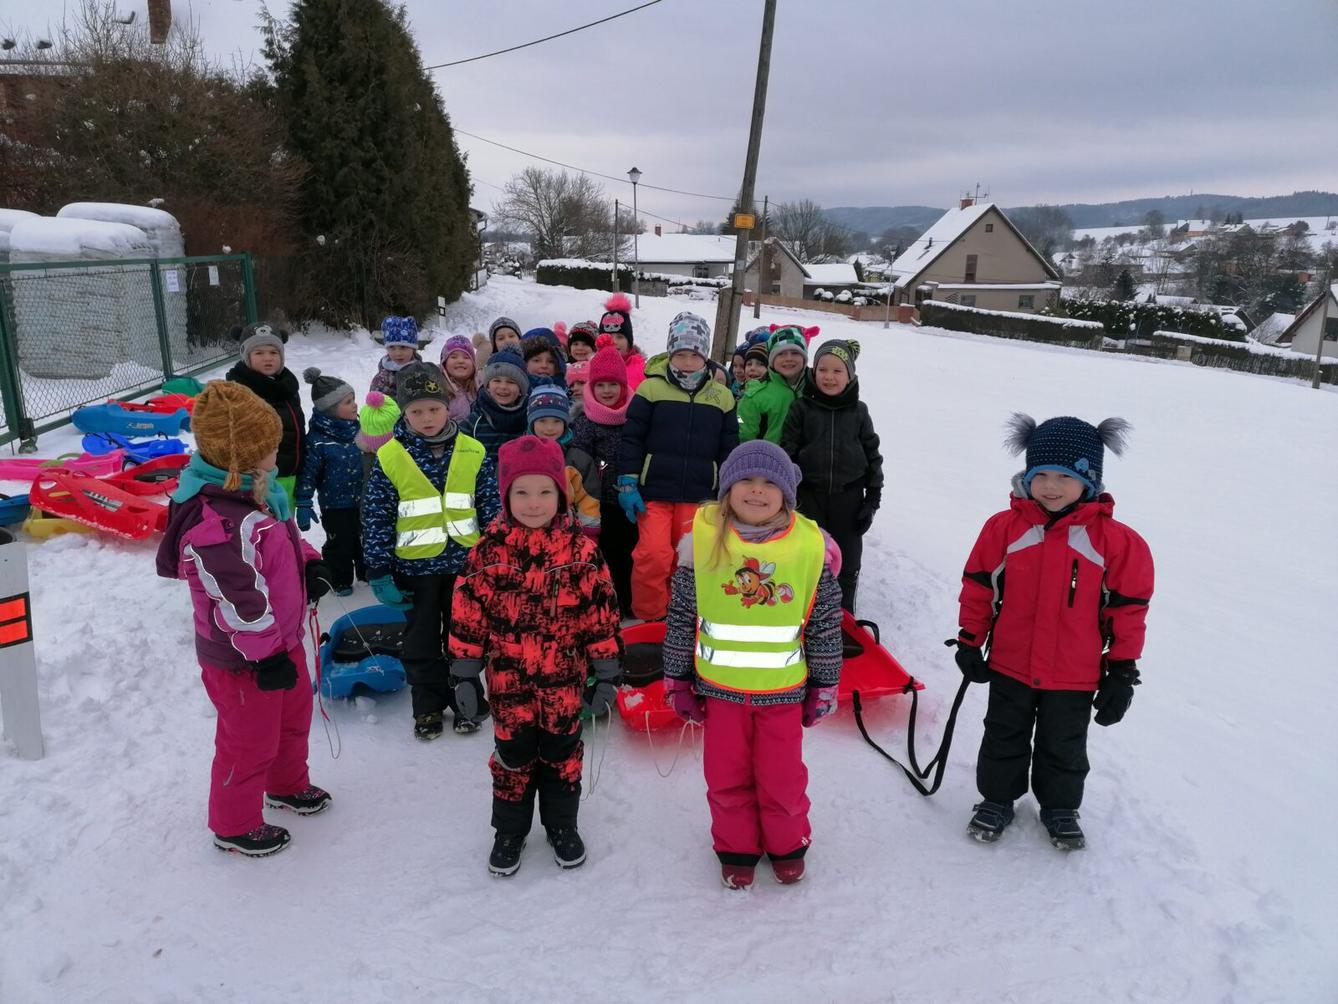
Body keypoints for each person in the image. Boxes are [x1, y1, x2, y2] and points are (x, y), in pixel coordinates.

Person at [954, 415, 1154, 850]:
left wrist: (1122, 670)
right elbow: (978, 585)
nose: (1050, 485)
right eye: (1039, 474)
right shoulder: (1004, 528)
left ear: (1090, 480)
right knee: (1003, 733)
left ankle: (1060, 806)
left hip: (1075, 671)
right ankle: (996, 799)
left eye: (1065, 476)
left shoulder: (1117, 542)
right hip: (1011, 661)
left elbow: (1128, 611)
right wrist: (970, 640)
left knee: (1063, 743)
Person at [156, 381, 332, 858]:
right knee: (248, 740)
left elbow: (283, 542)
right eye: (271, 448)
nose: (278, 454)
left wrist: (310, 562)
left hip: (282, 640)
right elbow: (238, 600)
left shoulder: (258, 494)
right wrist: (267, 655)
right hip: (244, 659)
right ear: (246, 457)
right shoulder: (215, 525)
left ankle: (287, 785)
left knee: (294, 717)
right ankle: (233, 823)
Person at [662, 440, 843, 889]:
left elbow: (822, 623)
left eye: (769, 483)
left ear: (786, 493)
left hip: (782, 694)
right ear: (727, 490)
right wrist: (677, 678)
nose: (756, 491)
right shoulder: (700, 544)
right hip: (720, 694)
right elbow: (683, 616)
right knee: (726, 777)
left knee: (781, 778)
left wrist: (825, 684)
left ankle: (787, 843)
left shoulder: (808, 548)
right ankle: (736, 847)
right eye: (745, 480)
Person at [449, 435, 622, 876]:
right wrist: (465, 673)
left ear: (561, 494)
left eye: (545, 491)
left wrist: (605, 670)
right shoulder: (487, 553)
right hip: (508, 683)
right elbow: (468, 614)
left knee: (563, 754)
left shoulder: (581, 552)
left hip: (564, 682)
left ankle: (562, 825)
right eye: (521, 492)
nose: (533, 502)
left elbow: (600, 614)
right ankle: (509, 830)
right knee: (512, 756)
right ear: (506, 495)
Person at [361, 361, 501, 740]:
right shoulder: (390, 456)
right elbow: (377, 514)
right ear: (403, 412)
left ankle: (466, 701)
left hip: (465, 569)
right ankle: (427, 707)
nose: (426, 418)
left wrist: (495, 557)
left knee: (464, 639)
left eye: (434, 408)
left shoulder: (473, 450)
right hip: (415, 573)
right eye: (416, 410)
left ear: (448, 406)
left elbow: (490, 507)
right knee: (421, 643)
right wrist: (378, 569)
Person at [616, 313, 738, 622]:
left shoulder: (721, 396)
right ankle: (651, 617)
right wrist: (628, 482)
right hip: (654, 492)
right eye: (680, 353)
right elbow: (632, 437)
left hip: (699, 495)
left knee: (688, 558)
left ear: (705, 356)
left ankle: (684, 617)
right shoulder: (650, 389)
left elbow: (728, 446)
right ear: (670, 353)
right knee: (653, 555)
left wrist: (728, 488)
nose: (687, 361)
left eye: (694, 354)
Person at [780, 339, 882, 612]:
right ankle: (802, 617)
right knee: (807, 559)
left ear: (849, 376)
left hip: (848, 499)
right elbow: (787, 452)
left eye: (837, 371)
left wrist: (872, 499)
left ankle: (844, 620)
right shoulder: (801, 409)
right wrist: (787, 495)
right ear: (814, 373)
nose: (829, 376)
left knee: (847, 564)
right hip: (808, 497)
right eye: (823, 369)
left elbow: (872, 455)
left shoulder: (859, 412)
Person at [570, 337, 637, 618]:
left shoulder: (635, 416)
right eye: (601, 385)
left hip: (631, 503)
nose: (607, 391)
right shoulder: (585, 421)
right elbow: (579, 465)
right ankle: (606, 606)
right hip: (600, 505)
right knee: (605, 557)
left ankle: (629, 604)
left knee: (630, 556)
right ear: (591, 386)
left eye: (613, 384)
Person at [296, 368, 366, 595]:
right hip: (335, 506)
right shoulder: (317, 441)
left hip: (364, 499)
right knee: (340, 544)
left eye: (353, 399)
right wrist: (304, 501)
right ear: (331, 410)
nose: (355, 405)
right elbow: (308, 473)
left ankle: (368, 574)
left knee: (365, 539)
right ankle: (341, 579)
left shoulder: (361, 429)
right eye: (348, 402)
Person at [225, 322, 304, 506]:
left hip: (290, 474)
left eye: (273, 352)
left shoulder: (288, 386)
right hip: (258, 479)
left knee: (287, 525)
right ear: (246, 356)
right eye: (259, 353)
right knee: (265, 527)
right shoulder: (240, 390)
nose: (267, 358)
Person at [527, 383, 601, 537]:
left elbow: (588, 499)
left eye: (556, 421)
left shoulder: (577, 459)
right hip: (528, 530)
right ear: (531, 422)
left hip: (568, 533)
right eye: (542, 421)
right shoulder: (519, 456)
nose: (549, 428)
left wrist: (588, 533)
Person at [738, 325, 814, 444]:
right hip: (768, 458)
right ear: (771, 359)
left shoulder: (816, 387)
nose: (788, 358)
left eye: (795, 353)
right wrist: (738, 418)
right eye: (781, 354)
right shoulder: (755, 393)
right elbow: (742, 424)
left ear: (804, 357)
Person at [463, 348, 530, 455]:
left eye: (511, 382)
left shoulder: (529, 419)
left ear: (521, 390)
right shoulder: (474, 421)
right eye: (497, 381)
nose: (503, 387)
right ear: (488, 386)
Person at [599, 292, 646, 390]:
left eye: (620, 337)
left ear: (629, 342)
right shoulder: (594, 367)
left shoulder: (642, 370)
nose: (614, 341)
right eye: (609, 337)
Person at [369, 315, 423, 397]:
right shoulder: (383, 379)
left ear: (413, 348)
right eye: (392, 347)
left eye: (403, 347)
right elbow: (374, 402)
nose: (398, 353)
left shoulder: (422, 370)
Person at [438, 333, 481, 423]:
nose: (460, 361)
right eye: (454, 357)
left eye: (466, 357)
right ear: (444, 363)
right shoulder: (438, 389)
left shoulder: (480, 387)